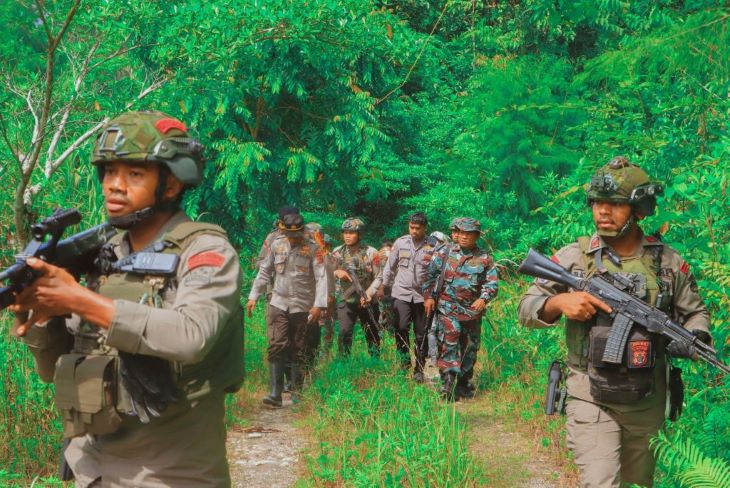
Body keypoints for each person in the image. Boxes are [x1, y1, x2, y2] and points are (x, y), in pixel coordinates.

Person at [10, 111, 245, 487]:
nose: (114, 186)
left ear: (170, 185)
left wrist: (80, 299)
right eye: (109, 172)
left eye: (134, 174)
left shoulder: (206, 252)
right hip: (92, 468)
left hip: (171, 472)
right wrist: (43, 313)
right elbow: (53, 368)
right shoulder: (102, 256)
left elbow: (191, 335)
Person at [517, 157, 712, 488]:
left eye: (615, 205)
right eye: (597, 203)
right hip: (590, 395)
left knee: (638, 484)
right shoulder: (573, 258)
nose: (602, 212)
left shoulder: (667, 262)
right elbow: (526, 308)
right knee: (600, 482)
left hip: (646, 398)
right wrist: (558, 302)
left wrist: (694, 336)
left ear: (639, 210)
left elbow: (695, 313)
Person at [247, 213, 327, 406]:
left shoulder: (314, 248)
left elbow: (322, 277)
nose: (293, 238)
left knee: (300, 347)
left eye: (296, 234)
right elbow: (265, 270)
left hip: (303, 305)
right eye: (289, 233)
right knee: (276, 345)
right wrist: (253, 296)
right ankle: (275, 393)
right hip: (278, 302)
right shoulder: (277, 244)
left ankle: (297, 391)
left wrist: (318, 305)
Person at [424, 218, 498, 400]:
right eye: (461, 233)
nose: (464, 237)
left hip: (472, 312)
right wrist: (428, 298)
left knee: (469, 348)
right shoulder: (444, 252)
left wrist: (483, 298)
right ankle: (447, 384)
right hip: (447, 308)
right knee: (449, 344)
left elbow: (492, 284)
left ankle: (463, 383)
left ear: (476, 236)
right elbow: (429, 276)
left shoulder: (485, 258)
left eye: (469, 234)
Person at [379, 212, 436, 382]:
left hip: (423, 297)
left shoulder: (433, 246)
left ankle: (419, 369)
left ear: (425, 228)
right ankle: (404, 364)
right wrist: (384, 285)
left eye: (418, 228)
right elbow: (390, 266)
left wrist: (432, 296)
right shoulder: (400, 242)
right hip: (401, 293)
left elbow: (438, 273)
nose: (414, 231)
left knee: (421, 333)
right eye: (411, 227)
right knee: (401, 327)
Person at [331, 218, 382, 356]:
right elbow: (324, 272)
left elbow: (379, 276)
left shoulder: (371, 252)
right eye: (345, 232)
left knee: (372, 335)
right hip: (346, 299)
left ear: (360, 234)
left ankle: (375, 364)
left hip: (367, 300)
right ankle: (343, 365)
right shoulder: (337, 252)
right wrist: (336, 272)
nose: (347, 235)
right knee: (344, 333)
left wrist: (370, 293)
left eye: (351, 232)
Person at [426, 230, 451, 366]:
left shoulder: (447, 255)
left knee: (437, 328)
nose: (432, 245)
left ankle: (438, 358)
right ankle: (434, 356)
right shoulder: (437, 255)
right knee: (432, 327)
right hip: (434, 296)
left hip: (443, 298)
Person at [376, 241, 397, 335]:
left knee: (391, 315)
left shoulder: (396, 258)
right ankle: (382, 335)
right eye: (384, 251)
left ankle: (390, 335)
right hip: (381, 290)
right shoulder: (377, 258)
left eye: (388, 251)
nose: (386, 253)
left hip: (393, 291)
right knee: (382, 314)